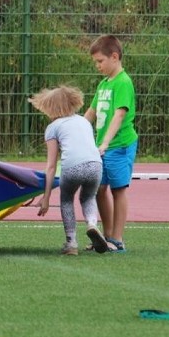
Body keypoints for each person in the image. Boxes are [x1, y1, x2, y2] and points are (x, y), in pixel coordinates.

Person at [29, 86, 109, 255]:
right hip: (96, 165)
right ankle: (93, 224)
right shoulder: (84, 121)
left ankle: (71, 242)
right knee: (88, 197)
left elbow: (51, 166)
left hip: (72, 167)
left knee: (66, 199)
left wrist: (46, 197)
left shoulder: (52, 128)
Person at [83, 35, 138, 253]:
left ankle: (118, 239)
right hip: (102, 148)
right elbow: (92, 112)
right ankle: (105, 238)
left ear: (114, 57)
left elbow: (119, 115)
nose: (97, 66)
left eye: (100, 61)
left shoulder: (123, 82)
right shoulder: (104, 84)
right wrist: (75, 129)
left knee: (118, 190)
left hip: (119, 146)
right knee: (99, 189)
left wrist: (105, 142)